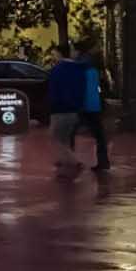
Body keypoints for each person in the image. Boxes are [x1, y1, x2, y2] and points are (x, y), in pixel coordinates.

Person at [46, 46, 86, 175]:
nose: (53, 57)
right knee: (65, 138)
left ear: (59, 54)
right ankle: (64, 163)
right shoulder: (79, 69)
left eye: (54, 54)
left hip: (59, 109)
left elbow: (53, 90)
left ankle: (74, 162)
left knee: (55, 138)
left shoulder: (56, 70)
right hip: (75, 109)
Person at [73, 50, 111, 172]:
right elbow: (100, 89)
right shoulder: (95, 72)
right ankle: (103, 162)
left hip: (83, 106)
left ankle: (71, 161)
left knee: (70, 133)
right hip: (95, 107)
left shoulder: (81, 72)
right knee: (99, 136)